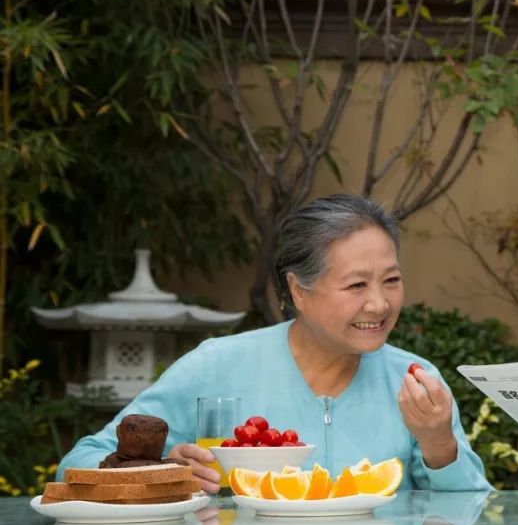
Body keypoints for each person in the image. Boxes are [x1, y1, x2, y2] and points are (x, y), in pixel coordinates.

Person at [59, 194, 491, 493]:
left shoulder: (415, 382)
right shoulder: (215, 366)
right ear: (298, 291)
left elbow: (472, 517)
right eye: (356, 284)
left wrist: (437, 442)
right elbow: (77, 464)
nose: (379, 304)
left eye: (392, 281)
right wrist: (165, 471)